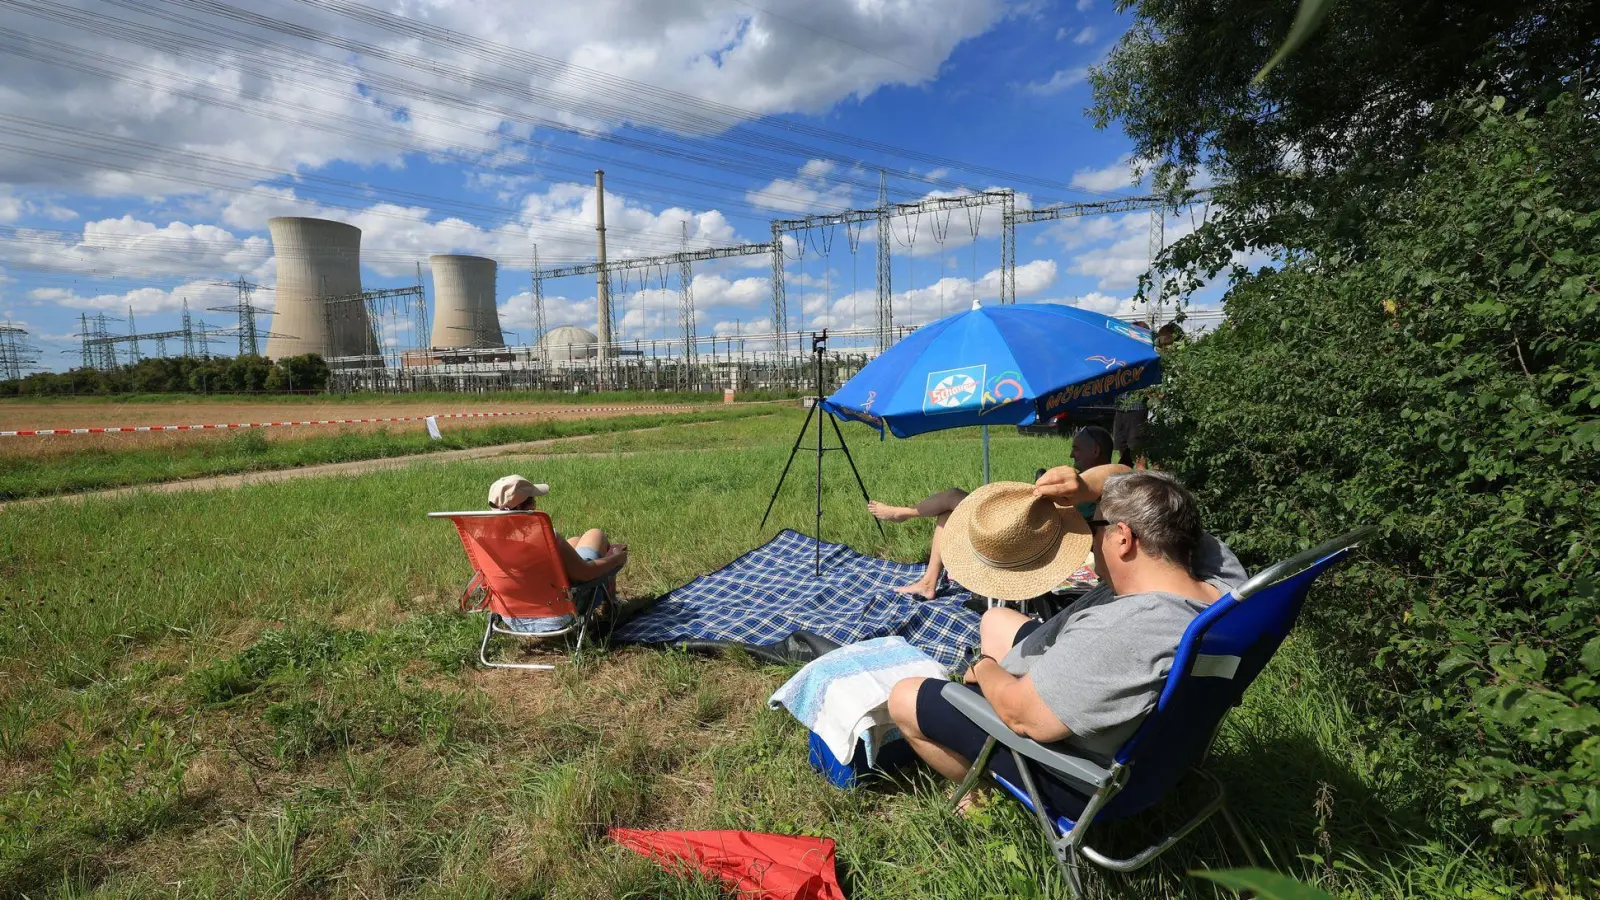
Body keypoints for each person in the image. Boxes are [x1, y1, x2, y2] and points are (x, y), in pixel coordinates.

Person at [885, 468, 1247, 816]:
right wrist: (1085, 485)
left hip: (1081, 776)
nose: (1089, 538)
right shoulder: (1222, 577)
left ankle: (984, 793)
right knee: (995, 619)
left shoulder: (1122, 633)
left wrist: (983, 668)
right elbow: (1139, 482)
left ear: (1122, 538)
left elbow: (1020, 715)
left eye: (1094, 526)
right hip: (1161, 744)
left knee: (905, 697)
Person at [866, 426, 1115, 600]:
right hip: (1041, 528)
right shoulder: (1078, 481)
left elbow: (1117, 477)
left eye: (1077, 449)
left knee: (953, 496)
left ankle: (905, 513)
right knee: (948, 512)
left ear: (1095, 451)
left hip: (1051, 539)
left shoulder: (1104, 488)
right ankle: (929, 581)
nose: (1071, 454)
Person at [488, 474, 628, 633]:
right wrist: (616, 559)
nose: (535, 505)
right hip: (557, 614)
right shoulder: (545, 537)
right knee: (596, 534)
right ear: (526, 507)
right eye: (533, 500)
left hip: (512, 615)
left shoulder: (485, 541)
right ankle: (611, 604)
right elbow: (584, 574)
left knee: (575, 541)